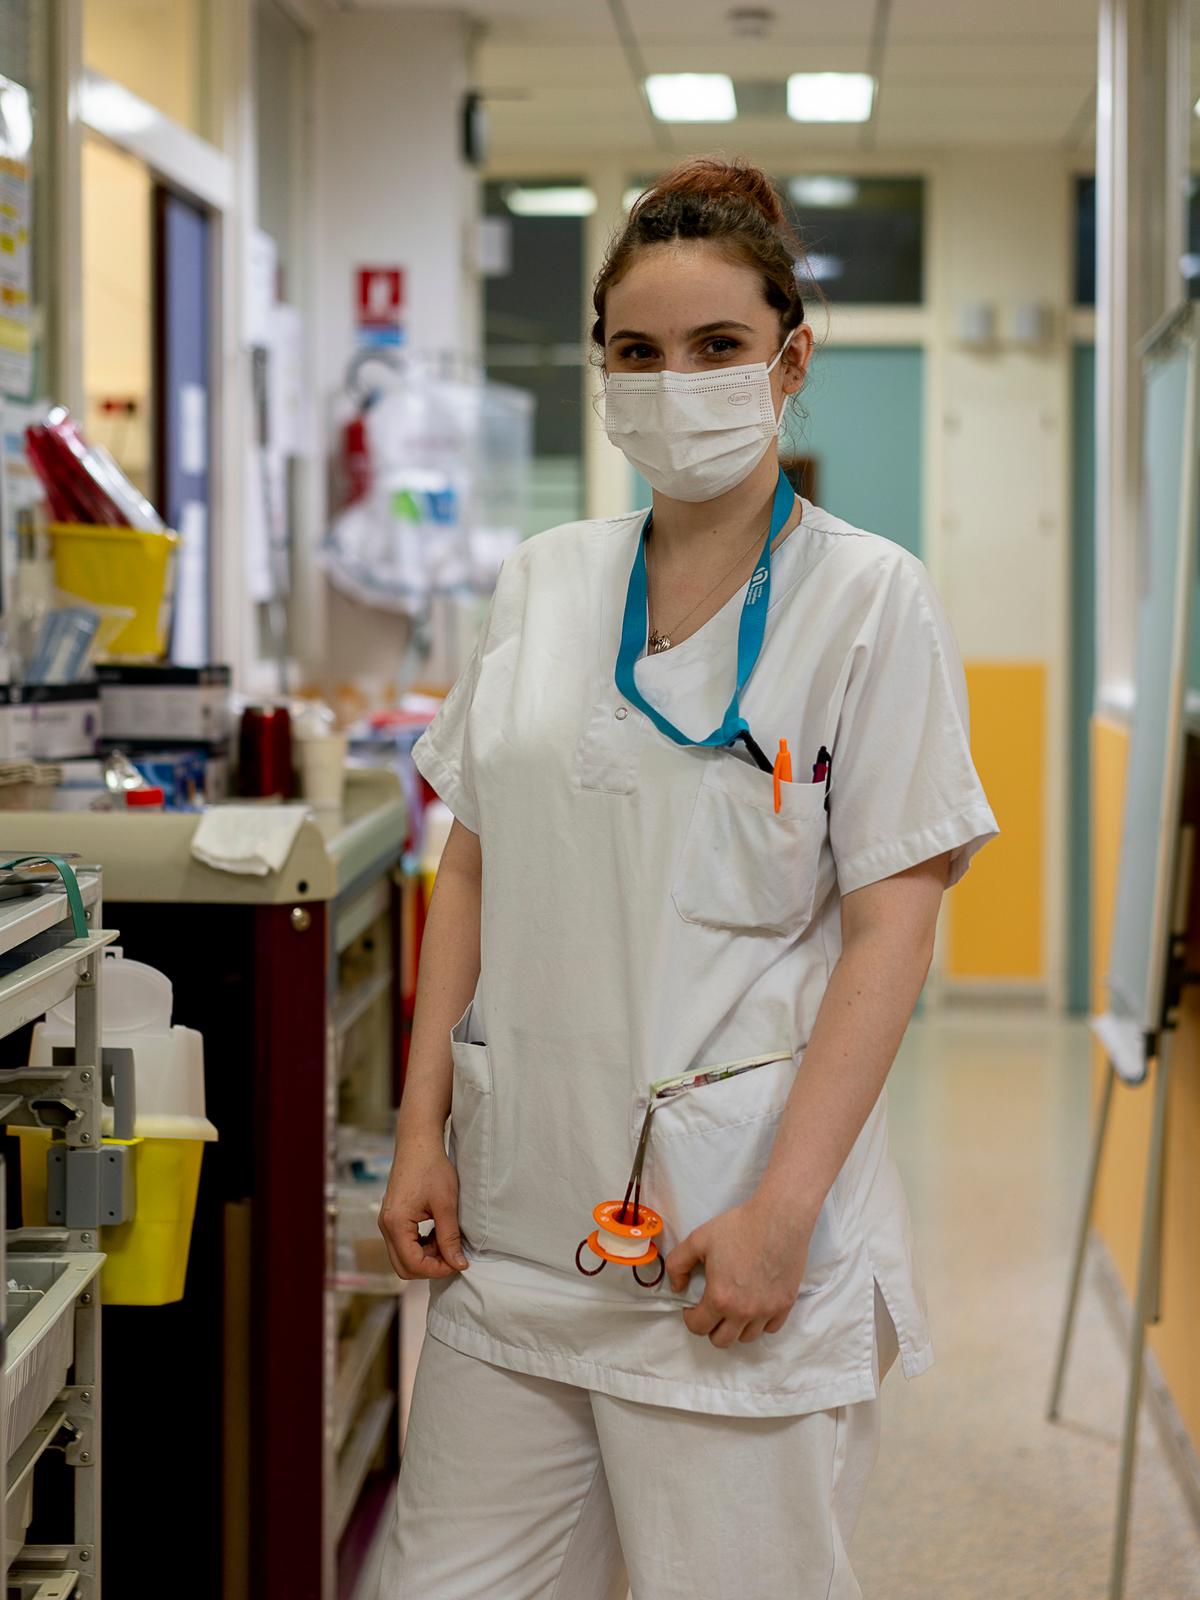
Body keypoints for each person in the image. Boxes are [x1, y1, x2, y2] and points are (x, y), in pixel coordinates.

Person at [376, 157, 999, 1600]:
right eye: (637, 354)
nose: (676, 384)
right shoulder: (541, 583)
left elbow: (892, 925)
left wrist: (785, 1211)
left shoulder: (868, 600)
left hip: (728, 1244)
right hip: (518, 1227)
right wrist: (419, 1131)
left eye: (717, 348)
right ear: (600, 371)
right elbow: (468, 866)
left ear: (790, 359)